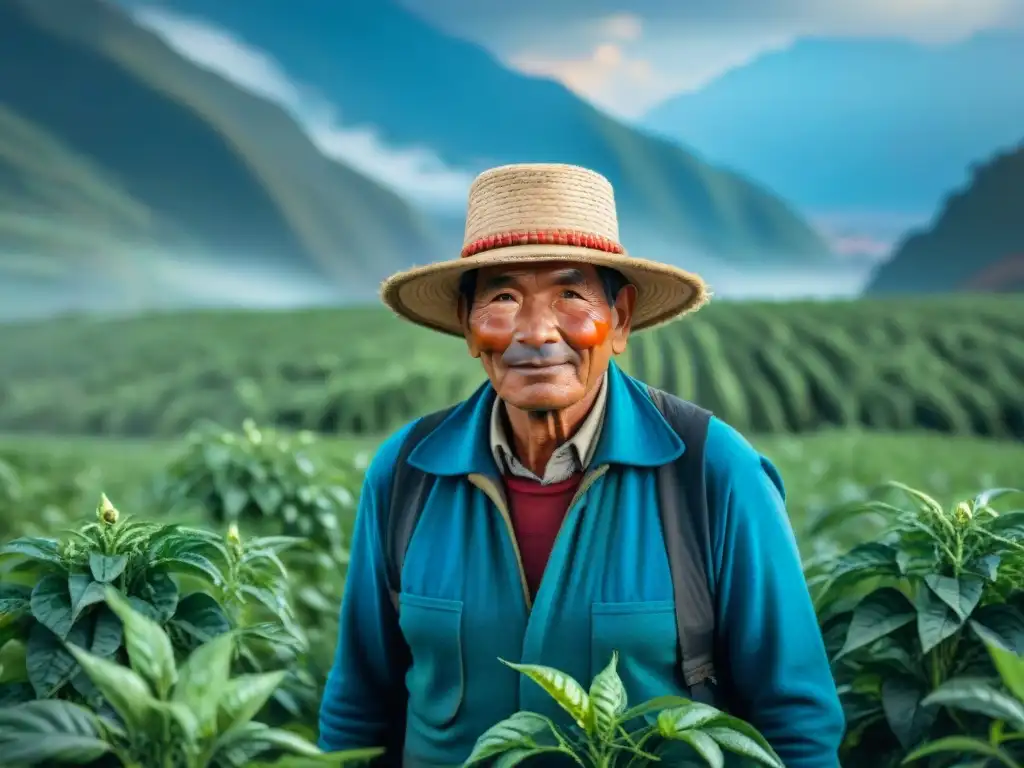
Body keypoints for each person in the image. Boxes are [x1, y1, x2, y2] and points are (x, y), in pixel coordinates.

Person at [318, 163, 844, 766]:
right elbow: (358, 705)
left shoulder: (712, 472)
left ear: (620, 318)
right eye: (503, 298)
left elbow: (796, 720)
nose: (537, 333)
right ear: (468, 326)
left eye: (571, 295)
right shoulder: (407, 473)